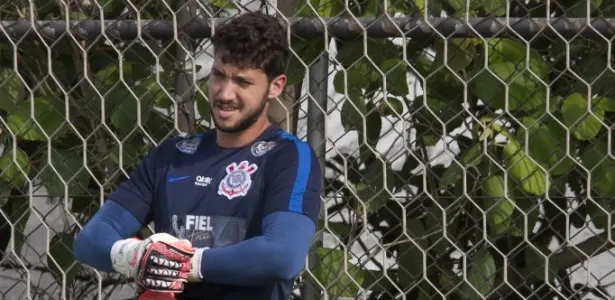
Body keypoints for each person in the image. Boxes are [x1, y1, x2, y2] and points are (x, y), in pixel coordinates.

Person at [73, 11, 322, 300]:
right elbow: (90, 240)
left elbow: (282, 255)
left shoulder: (288, 157)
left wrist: (186, 264)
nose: (225, 93)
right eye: (218, 76)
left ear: (275, 86)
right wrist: (137, 255)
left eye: (242, 82)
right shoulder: (172, 155)